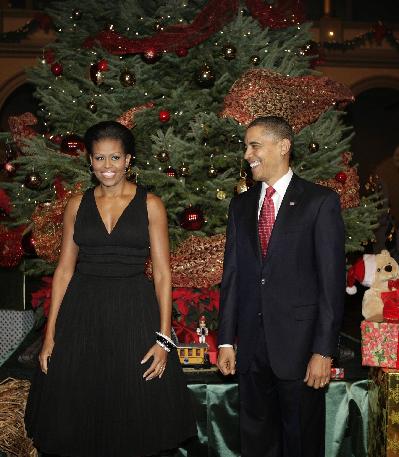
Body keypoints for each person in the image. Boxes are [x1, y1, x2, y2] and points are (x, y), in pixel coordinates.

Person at [25, 121, 196, 457]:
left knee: (133, 411)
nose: (107, 167)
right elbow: (63, 271)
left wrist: (164, 339)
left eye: (115, 157)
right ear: (89, 160)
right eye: (99, 158)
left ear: (128, 160)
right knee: (79, 412)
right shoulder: (76, 205)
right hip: (81, 314)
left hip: (134, 312)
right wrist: (49, 335)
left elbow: (163, 274)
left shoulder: (151, 205)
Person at [217, 116, 345, 457]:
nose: (247, 154)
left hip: (302, 352)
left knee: (301, 444)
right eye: (246, 146)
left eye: (254, 145)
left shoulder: (320, 202)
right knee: (256, 444)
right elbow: (232, 277)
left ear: (283, 146)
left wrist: (323, 350)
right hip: (252, 352)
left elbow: (331, 284)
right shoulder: (241, 206)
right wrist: (227, 340)